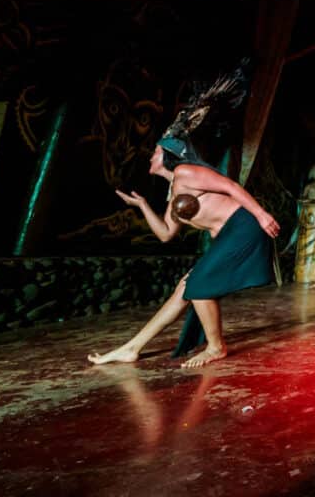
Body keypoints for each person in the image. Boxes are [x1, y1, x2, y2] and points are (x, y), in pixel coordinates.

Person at [87, 137, 280, 368]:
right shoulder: (174, 192)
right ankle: (132, 348)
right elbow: (166, 233)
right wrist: (143, 206)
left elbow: (231, 187)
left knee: (198, 284)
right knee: (184, 288)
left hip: (242, 226)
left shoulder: (185, 171)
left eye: (156, 152)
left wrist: (261, 214)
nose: (150, 157)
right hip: (228, 235)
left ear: (169, 156)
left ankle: (216, 347)